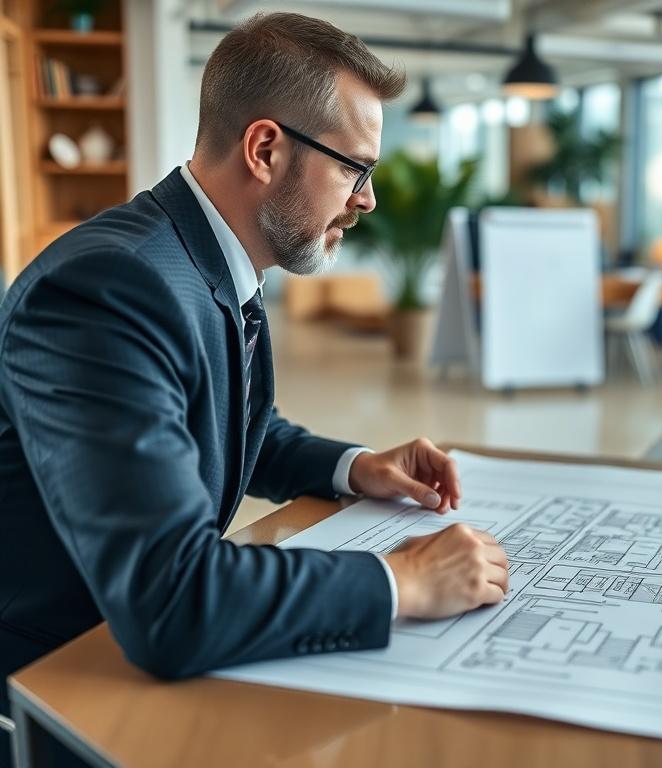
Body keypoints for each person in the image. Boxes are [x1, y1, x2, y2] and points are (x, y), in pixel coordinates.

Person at [0, 11, 510, 752]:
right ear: (266, 148)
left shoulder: (197, 256)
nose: (366, 198)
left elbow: (226, 420)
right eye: (353, 168)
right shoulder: (109, 287)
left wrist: (352, 466)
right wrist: (402, 583)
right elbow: (170, 600)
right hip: (62, 684)